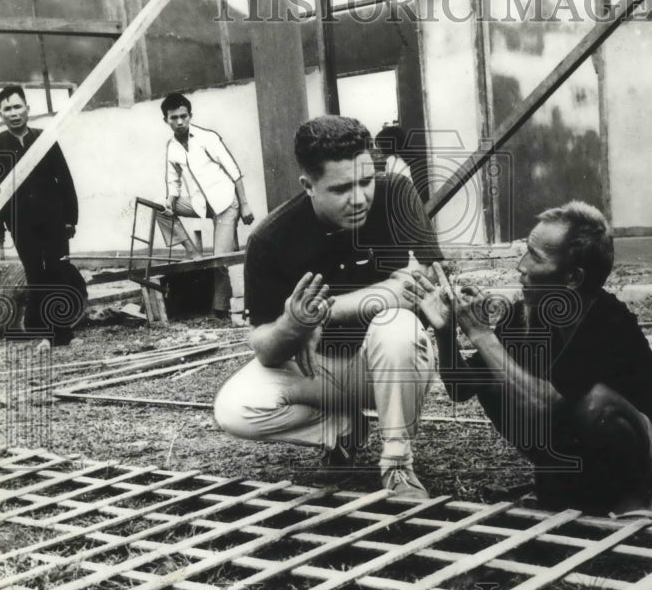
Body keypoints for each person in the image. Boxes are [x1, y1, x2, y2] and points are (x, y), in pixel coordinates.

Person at [214, 115, 444, 500]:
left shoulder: (397, 194)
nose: (359, 198)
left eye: (366, 181)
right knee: (235, 408)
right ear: (308, 186)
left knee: (397, 325)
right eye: (341, 189)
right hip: (320, 370)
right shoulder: (270, 239)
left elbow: (430, 282)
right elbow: (266, 349)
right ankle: (341, 429)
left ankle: (397, 465)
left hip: (392, 367)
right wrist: (293, 323)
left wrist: (328, 311)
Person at [417, 200, 652, 520]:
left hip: (646, 454)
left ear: (573, 278)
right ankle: (566, 481)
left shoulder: (607, 322)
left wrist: (483, 336)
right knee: (494, 378)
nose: (521, 266)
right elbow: (461, 388)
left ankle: (633, 497)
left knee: (595, 403)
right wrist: (446, 331)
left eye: (536, 257)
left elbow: (553, 406)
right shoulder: (525, 314)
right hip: (579, 448)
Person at [0, 85, 79, 346]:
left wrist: (70, 218)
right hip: (20, 222)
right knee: (35, 274)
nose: (14, 113)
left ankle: (64, 334)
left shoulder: (45, 138)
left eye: (18, 107)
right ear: (1, 114)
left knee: (57, 270)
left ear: (27, 109)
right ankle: (43, 335)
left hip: (53, 218)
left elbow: (64, 179)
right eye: (8, 109)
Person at [155, 92, 254, 319]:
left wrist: (245, 205)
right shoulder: (172, 147)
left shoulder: (207, 137)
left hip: (226, 202)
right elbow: (173, 182)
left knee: (220, 260)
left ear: (190, 116)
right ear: (166, 120)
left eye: (183, 116)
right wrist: (170, 202)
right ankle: (191, 252)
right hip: (201, 204)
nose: (179, 122)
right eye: (173, 118)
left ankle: (220, 311)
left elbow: (234, 171)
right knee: (158, 209)